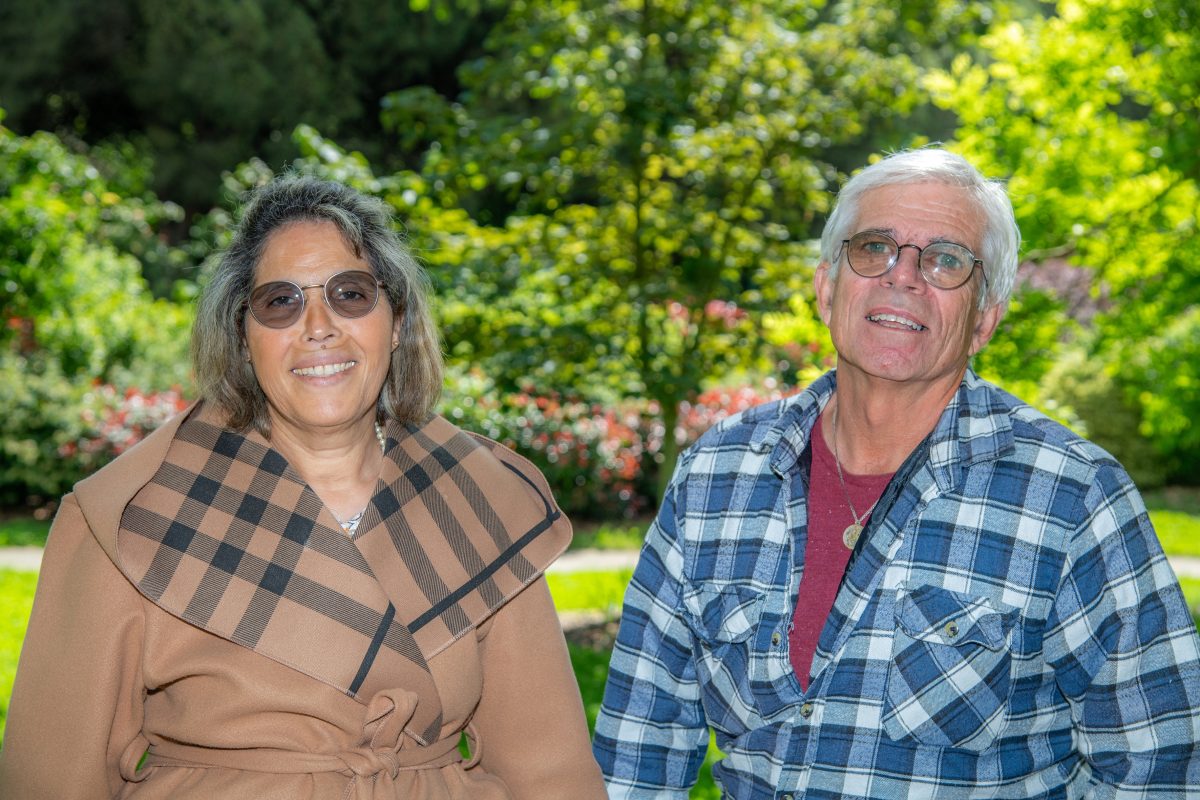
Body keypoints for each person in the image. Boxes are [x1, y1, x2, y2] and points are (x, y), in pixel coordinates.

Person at [593, 148, 1200, 798]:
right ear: (828, 288)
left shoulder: (1071, 495)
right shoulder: (715, 476)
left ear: (984, 319)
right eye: (875, 246)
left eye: (945, 260)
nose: (902, 275)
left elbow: (1160, 768)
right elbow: (636, 755)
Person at [0, 175, 606, 799]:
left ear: (395, 322)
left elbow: (549, 769)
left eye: (350, 294)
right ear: (242, 335)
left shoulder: (481, 498)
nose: (318, 326)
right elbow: (52, 777)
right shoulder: (131, 513)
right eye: (281, 303)